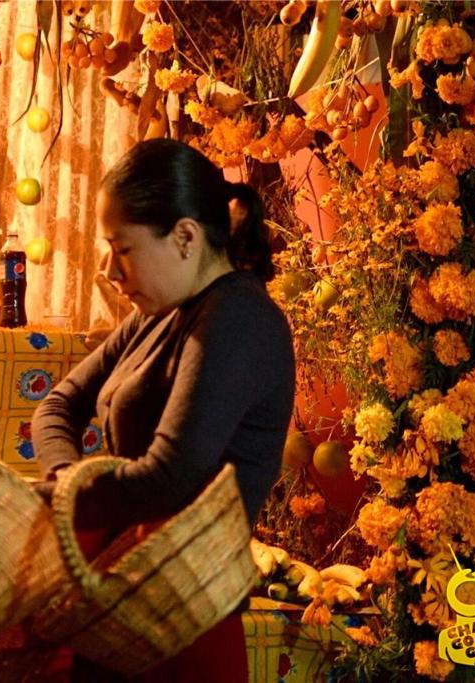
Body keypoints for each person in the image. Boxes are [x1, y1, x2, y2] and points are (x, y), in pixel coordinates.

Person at [32, 139, 295, 682]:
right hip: (120, 604)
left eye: (122, 249)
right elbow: (60, 404)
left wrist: (51, 503)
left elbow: (167, 480)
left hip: (182, 626)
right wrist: (62, 481)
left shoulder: (237, 319)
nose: (109, 269)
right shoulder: (157, 314)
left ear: (185, 237)